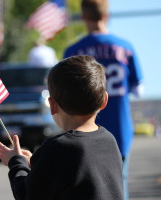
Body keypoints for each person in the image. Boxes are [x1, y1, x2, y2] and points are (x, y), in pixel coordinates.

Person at [0, 55, 123, 200]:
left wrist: (16, 163)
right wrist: (36, 163)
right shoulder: (109, 141)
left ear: (52, 105)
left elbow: (27, 195)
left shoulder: (56, 148)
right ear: (104, 101)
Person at [63, 1, 143, 199]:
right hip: (119, 126)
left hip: (82, 128)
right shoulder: (125, 48)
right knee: (118, 182)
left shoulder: (73, 52)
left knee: (82, 184)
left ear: (83, 17)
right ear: (107, 15)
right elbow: (138, 89)